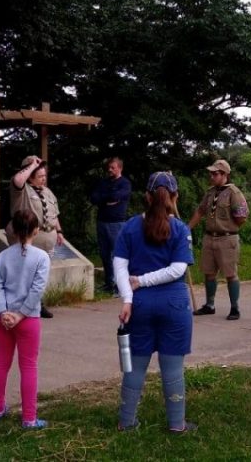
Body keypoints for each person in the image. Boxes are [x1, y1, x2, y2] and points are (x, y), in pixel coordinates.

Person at [114, 171, 196, 433]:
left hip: (139, 305)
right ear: (175, 197)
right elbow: (177, 270)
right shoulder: (180, 229)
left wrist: (128, 297)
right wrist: (145, 281)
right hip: (174, 304)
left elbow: (119, 267)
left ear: (147, 197)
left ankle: (126, 422)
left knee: (135, 365)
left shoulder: (129, 226)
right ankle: (176, 424)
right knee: (172, 367)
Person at [0, 209, 51, 429]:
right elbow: (37, 290)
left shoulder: (1, 257)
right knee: (29, 367)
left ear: (13, 229)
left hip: (3, 319)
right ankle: (29, 418)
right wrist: (21, 313)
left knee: (1, 362)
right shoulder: (42, 257)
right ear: (36, 230)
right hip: (28, 319)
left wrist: (3, 311)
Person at [188, 159, 249, 320]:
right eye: (211, 173)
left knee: (230, 274)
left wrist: (229, 227)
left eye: (215, 173)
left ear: (225, 175)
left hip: (227, 238)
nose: (212, 176)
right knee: (209, 273)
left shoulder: (234, 193)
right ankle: (210, 305)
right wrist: (186, 229)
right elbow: (200, 211)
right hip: (210, 237)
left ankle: (235, 308)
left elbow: (242, 216)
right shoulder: (210, 192)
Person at [7, 155, 64, 318]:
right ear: (30, 176)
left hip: (47, 238)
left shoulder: (48, 192)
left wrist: (59, 231)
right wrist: (32, 165)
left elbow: (55, 214)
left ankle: (38, 304)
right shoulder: (22, 189)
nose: (43, 179)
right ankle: (22, 306)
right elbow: (18, 180)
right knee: (25, 273)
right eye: (39, 176)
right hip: (28, 238)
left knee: (41, 274)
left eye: (45, 176)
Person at [90, 157, 132, 296]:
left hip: (117, 224)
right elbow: (94, 198)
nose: (110, 170)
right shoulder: (103, 183)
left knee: (117, 255)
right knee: (104, 254)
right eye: (109, 167)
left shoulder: (125, 183)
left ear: (120, 168)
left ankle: (119, 286)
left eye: (113, 167)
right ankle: (109, 283)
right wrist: (107, 198)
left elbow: (117, 196)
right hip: (102, 222)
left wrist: (106, 197)